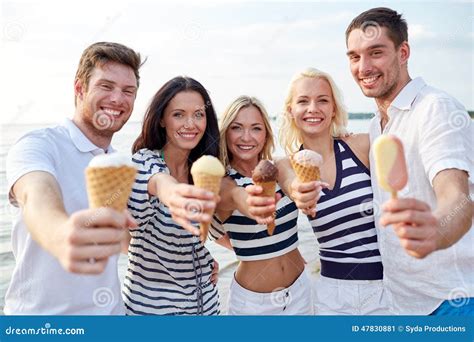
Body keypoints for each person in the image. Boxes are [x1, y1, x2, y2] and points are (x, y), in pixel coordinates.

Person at [345, 7, 473, 315]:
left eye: (376, 53)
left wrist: (436, 229)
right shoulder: (377, 125)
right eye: (354, 56)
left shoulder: (435, 109)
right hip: (402, 302)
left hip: (452, 301)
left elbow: (457, 195)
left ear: (403, 52)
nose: (364, 66)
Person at [5, 42, 143, 314]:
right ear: (79, 88)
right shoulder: (38, 145)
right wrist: (60, 234)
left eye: (128, 91)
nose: (118, 99)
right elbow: (35, 194)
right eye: (106, 86)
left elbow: (123, 242)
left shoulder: (117, 164)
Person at [268, 68, 390, 314]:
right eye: (303, 101)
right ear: (291, 110)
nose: (313, 108)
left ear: (334, 109)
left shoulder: (362, 146)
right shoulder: (285, 165)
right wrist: (301, 192)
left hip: (387, 289)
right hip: (331, 296)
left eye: (322, 100)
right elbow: (294, 185)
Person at [123, 76, 221, 315]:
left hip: (205, 305)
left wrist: (203, 257)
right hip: (151, 311)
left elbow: (208, 231)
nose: (191, 123)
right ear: (162, 120)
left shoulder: (203, 169)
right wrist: (172, 192)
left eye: (199, 114)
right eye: (179, 114)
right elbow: (158, 182)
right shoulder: (144, 161)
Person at [210, 95, 313, 315]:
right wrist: (252, 204)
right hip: (253, 304)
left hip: (300, 290)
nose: (246, 137)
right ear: (225, 132)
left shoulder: (279, 165)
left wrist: (300, 192)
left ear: (266, 133)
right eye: (237, 128)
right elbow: (235, 199)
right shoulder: (222, 182)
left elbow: (290, 182)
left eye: (256, 128)